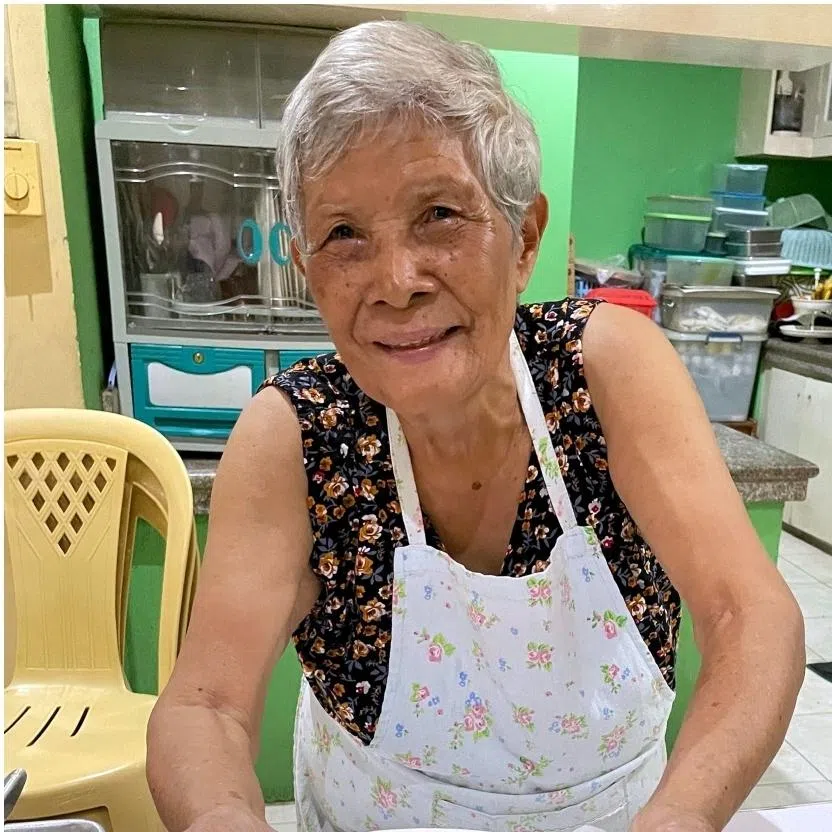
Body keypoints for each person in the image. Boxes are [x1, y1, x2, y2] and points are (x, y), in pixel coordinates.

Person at [146, 21, 804, 832]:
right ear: (308, 267)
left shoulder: (605, 372)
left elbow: (753, 619)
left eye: (440, 215)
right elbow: (204, 708)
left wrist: (686, 818)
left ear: (523, 238)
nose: (396, 282)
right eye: (345, 234)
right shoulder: (293, 437)